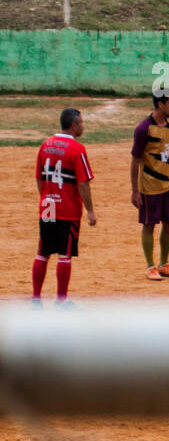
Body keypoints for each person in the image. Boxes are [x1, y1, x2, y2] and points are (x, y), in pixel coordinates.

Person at [33, 108, 96, 308]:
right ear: (74, 125)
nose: (83, 126)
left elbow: (39, 178)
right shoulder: (77, 149)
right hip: (67, 208)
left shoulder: (46, 145)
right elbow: (83, 184)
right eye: (82, 122)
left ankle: (36, 299)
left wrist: (46, 197)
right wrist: (90, 211)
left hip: (48, 206)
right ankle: (61, 301)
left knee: (43, 252)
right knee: (64, 254)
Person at [130, 89, 169, 282]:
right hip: (150, 186)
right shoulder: (143, 129)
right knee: (149, 225)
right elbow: (135, 160)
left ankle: (164, 264)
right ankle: (151, 267)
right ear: (160, 104)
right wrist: (135, 191)